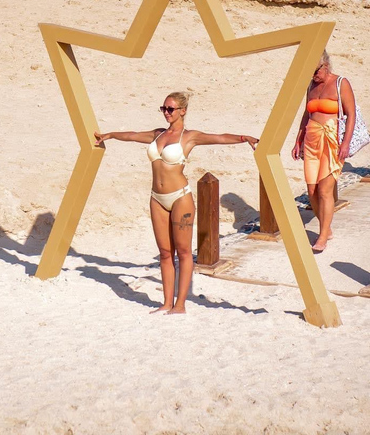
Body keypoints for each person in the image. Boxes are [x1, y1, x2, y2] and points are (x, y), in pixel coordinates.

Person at [95, 92, 258, 314]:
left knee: (183, 251)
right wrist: (110, 135)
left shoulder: (190, 137)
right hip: (157, 198)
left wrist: (243, 138)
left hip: (180, 197)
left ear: (183, 111)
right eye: (163, 108)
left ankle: (180, 304)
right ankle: (166, 303)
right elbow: (132, 135)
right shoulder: (156, 135)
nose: (166, 113)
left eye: (171, 109)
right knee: (164, 252)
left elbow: (219, 138)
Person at [291, 51, 356, 253]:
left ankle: (322, 236)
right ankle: (326, 228)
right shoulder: (311, 85)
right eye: (310, 72)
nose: (314, 75)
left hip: (331, 141)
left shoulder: (341, 83)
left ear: (325, 64)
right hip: (311, 141)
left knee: (325, 190)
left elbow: (351, 114)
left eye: (316, 70)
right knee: (311, 191)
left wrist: (345, 142)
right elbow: (306, 113)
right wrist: (298, 139)